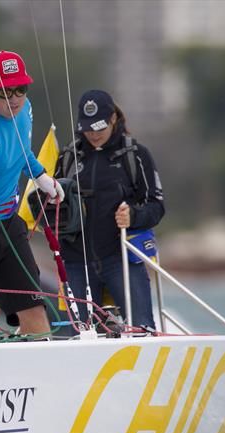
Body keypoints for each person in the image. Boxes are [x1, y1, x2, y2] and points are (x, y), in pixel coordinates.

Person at [0, 51, 64, 337]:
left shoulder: (25, 109)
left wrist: (41, 176)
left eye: (21, 89)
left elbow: (21, 149)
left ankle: (41, 379)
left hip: (8, 225)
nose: (15, 98)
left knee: (35, 311)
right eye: (6, 91)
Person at [59, 89, 164, 329]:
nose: (93, 134)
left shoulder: (136, 155)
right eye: (87, 128)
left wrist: (133, 216)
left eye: (99, 127)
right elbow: (52, 206)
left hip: (122, 257)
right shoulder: (68, 156)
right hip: (76, 261)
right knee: (78, 335)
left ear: (113, 119)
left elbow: (157, 206)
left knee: (141, 329)